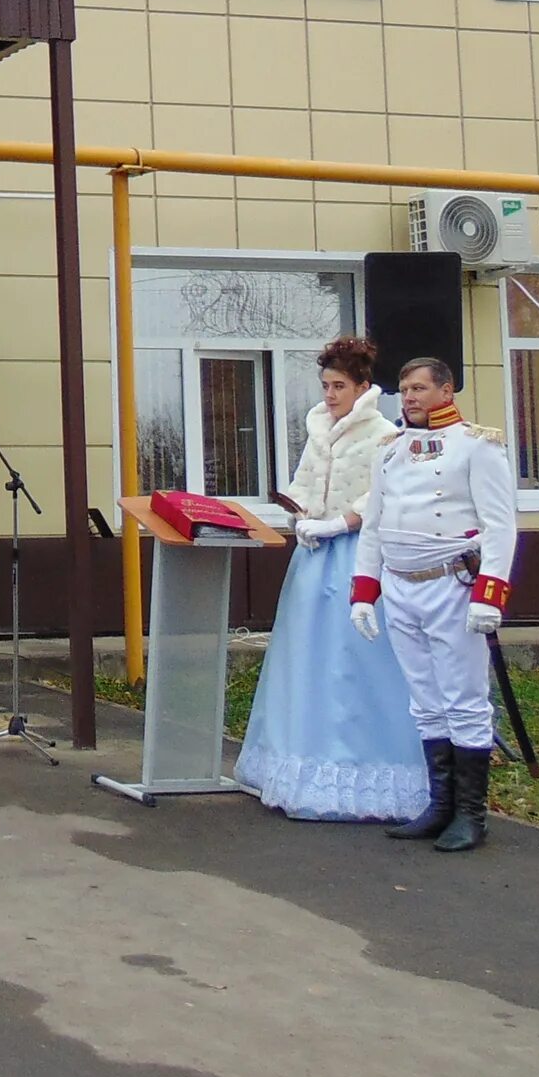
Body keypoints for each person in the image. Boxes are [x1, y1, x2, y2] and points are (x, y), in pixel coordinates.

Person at [232, 338, 429, 821]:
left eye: (339, 385)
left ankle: (364, 772)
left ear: (364, 386)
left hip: (356, 555)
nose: (330, 394)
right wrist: (298, 514)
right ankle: (297, 765)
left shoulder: (386, 433)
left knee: (353, 659)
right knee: (305, 657)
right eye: (325, 385)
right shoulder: (319, 427)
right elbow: (304, 481)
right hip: (314, 556)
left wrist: (340, 522)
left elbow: (381, 496)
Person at [349, 357, 518, 854]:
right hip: (401, 584)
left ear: (446, 391)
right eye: (404, 389)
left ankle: (471, 815)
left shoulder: (478, 446)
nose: (410, 397)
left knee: (463, 700)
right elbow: (375, 525)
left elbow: (501, 525)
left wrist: (491, 592)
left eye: (420, 388)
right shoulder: (390, 450)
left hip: (451, 584)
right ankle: (439, 806)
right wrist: (365, 593)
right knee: (425, 701)